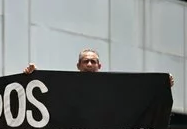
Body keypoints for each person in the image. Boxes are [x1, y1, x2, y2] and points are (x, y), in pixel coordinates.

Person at [23, 49, 174, 87]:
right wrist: (34, 75)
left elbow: (137, 91)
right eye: (85, 61)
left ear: (99, 66)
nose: (89, 64)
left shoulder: (111, 85)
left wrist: (161, 85)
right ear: (78, 66)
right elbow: (47, 88)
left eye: (93, 62)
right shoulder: (67, 83)